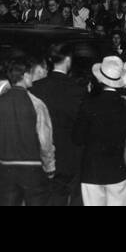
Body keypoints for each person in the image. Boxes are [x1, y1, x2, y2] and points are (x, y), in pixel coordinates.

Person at [0, 60, 55, 207]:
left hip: (7, 169)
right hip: (33, 169)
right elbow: (44, 141)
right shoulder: (37, 104)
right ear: (25, 76)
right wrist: (49, 167)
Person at [74, 56, 126, 206]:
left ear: (100, 80)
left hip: (91, 171)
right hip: (117, 170)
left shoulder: (88, 105)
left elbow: (77, 138)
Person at [30, 43, 85, 206]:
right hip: (69, 158)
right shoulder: (77, 89)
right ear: (68, 60)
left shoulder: (36, 88)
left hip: (39, 156)